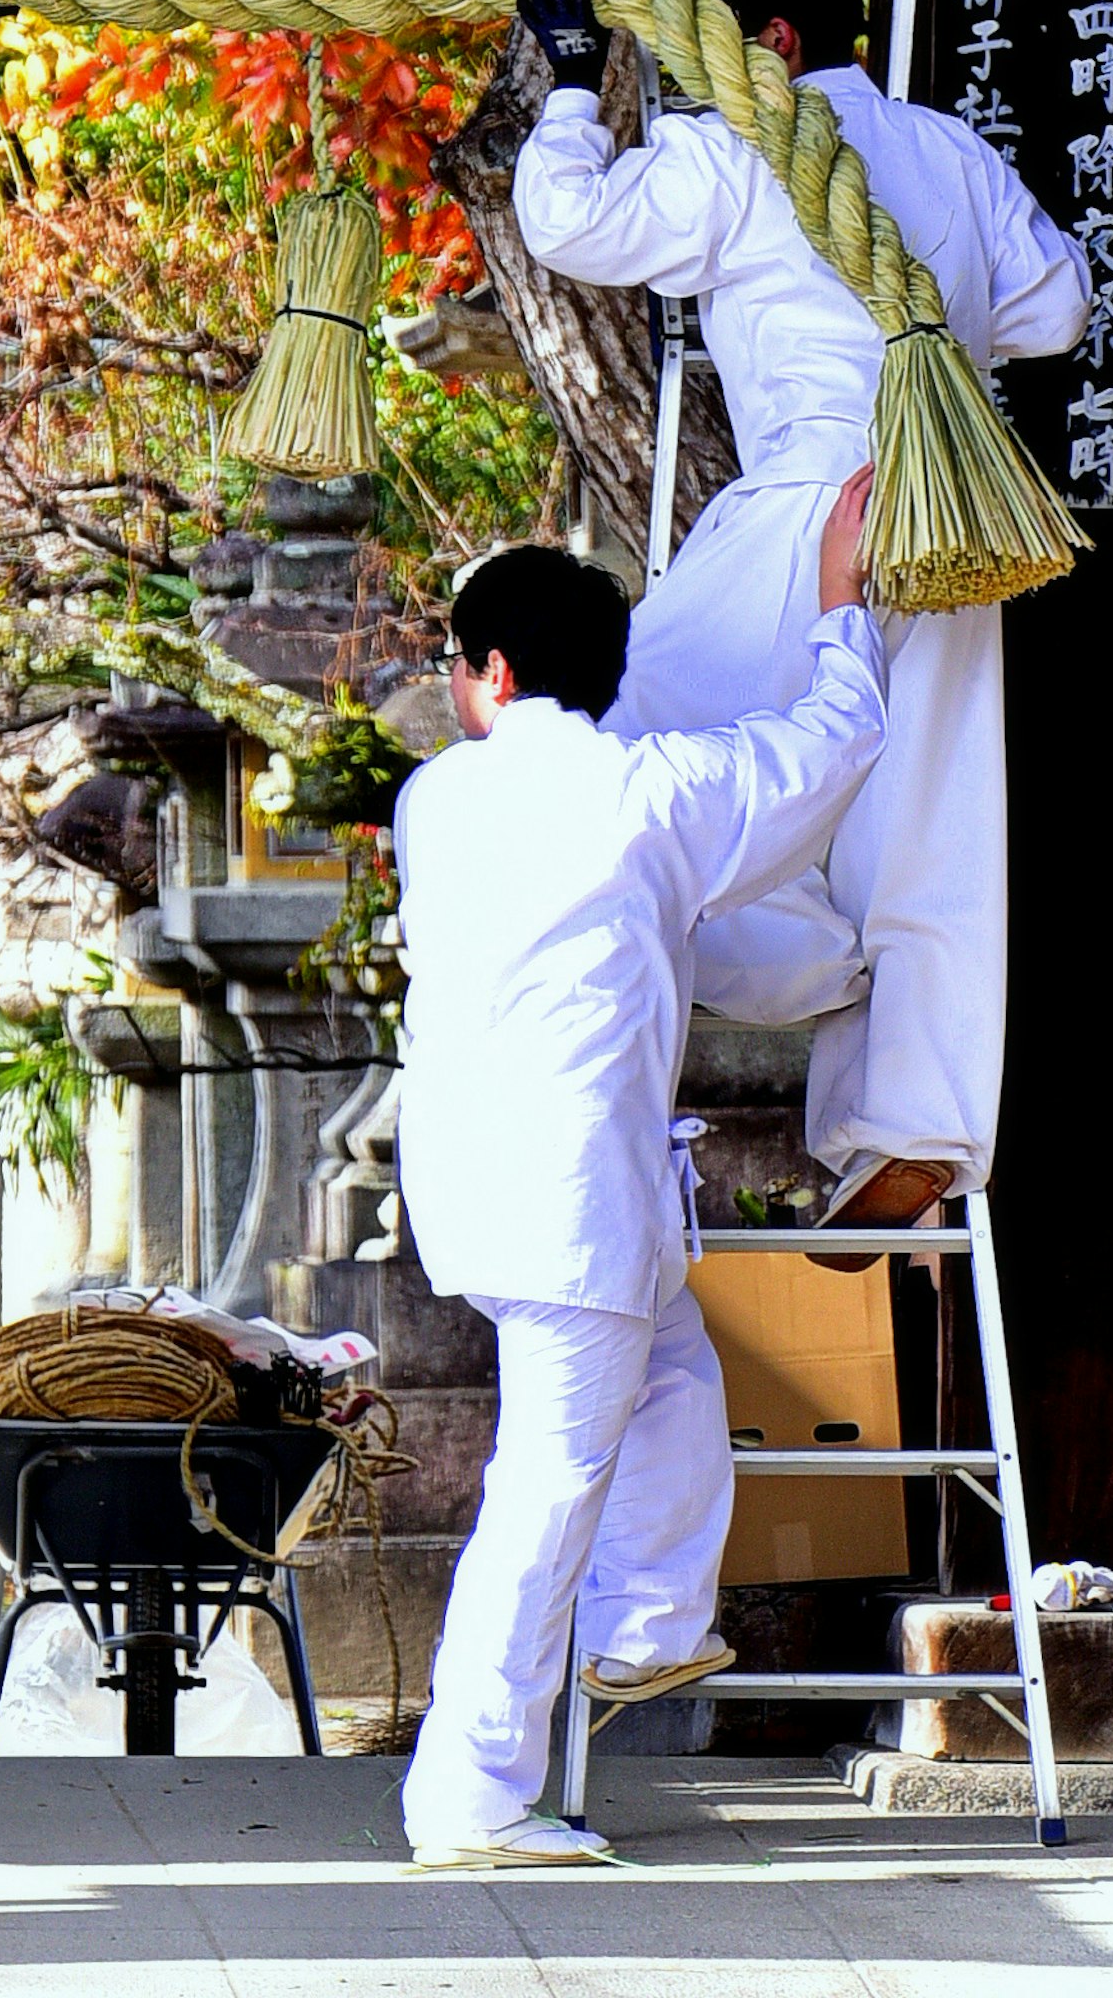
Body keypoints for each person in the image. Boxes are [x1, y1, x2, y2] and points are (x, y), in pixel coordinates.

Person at [507, 0, 1087, 1216]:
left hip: (810, 504)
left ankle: (811, 962)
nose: (702, 81)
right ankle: (908, 1124)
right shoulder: (948, 147)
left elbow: (568, 223)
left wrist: (570, 84)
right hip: (949, 513)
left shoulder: (738, 150)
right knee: (925, 825)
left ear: (769, 40)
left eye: (711, 50)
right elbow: (1057, 307)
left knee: (607, 744)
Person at [392, 490, 884, 1877]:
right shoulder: (650, 794)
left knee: (676, 1387)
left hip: (503, 1193)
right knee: (545, 1487)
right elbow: (831, 745)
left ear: (489, 675)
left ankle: (645, 1630)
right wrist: (841, 604)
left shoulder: (437, 797)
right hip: (569, 1200)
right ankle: (474, 1794)